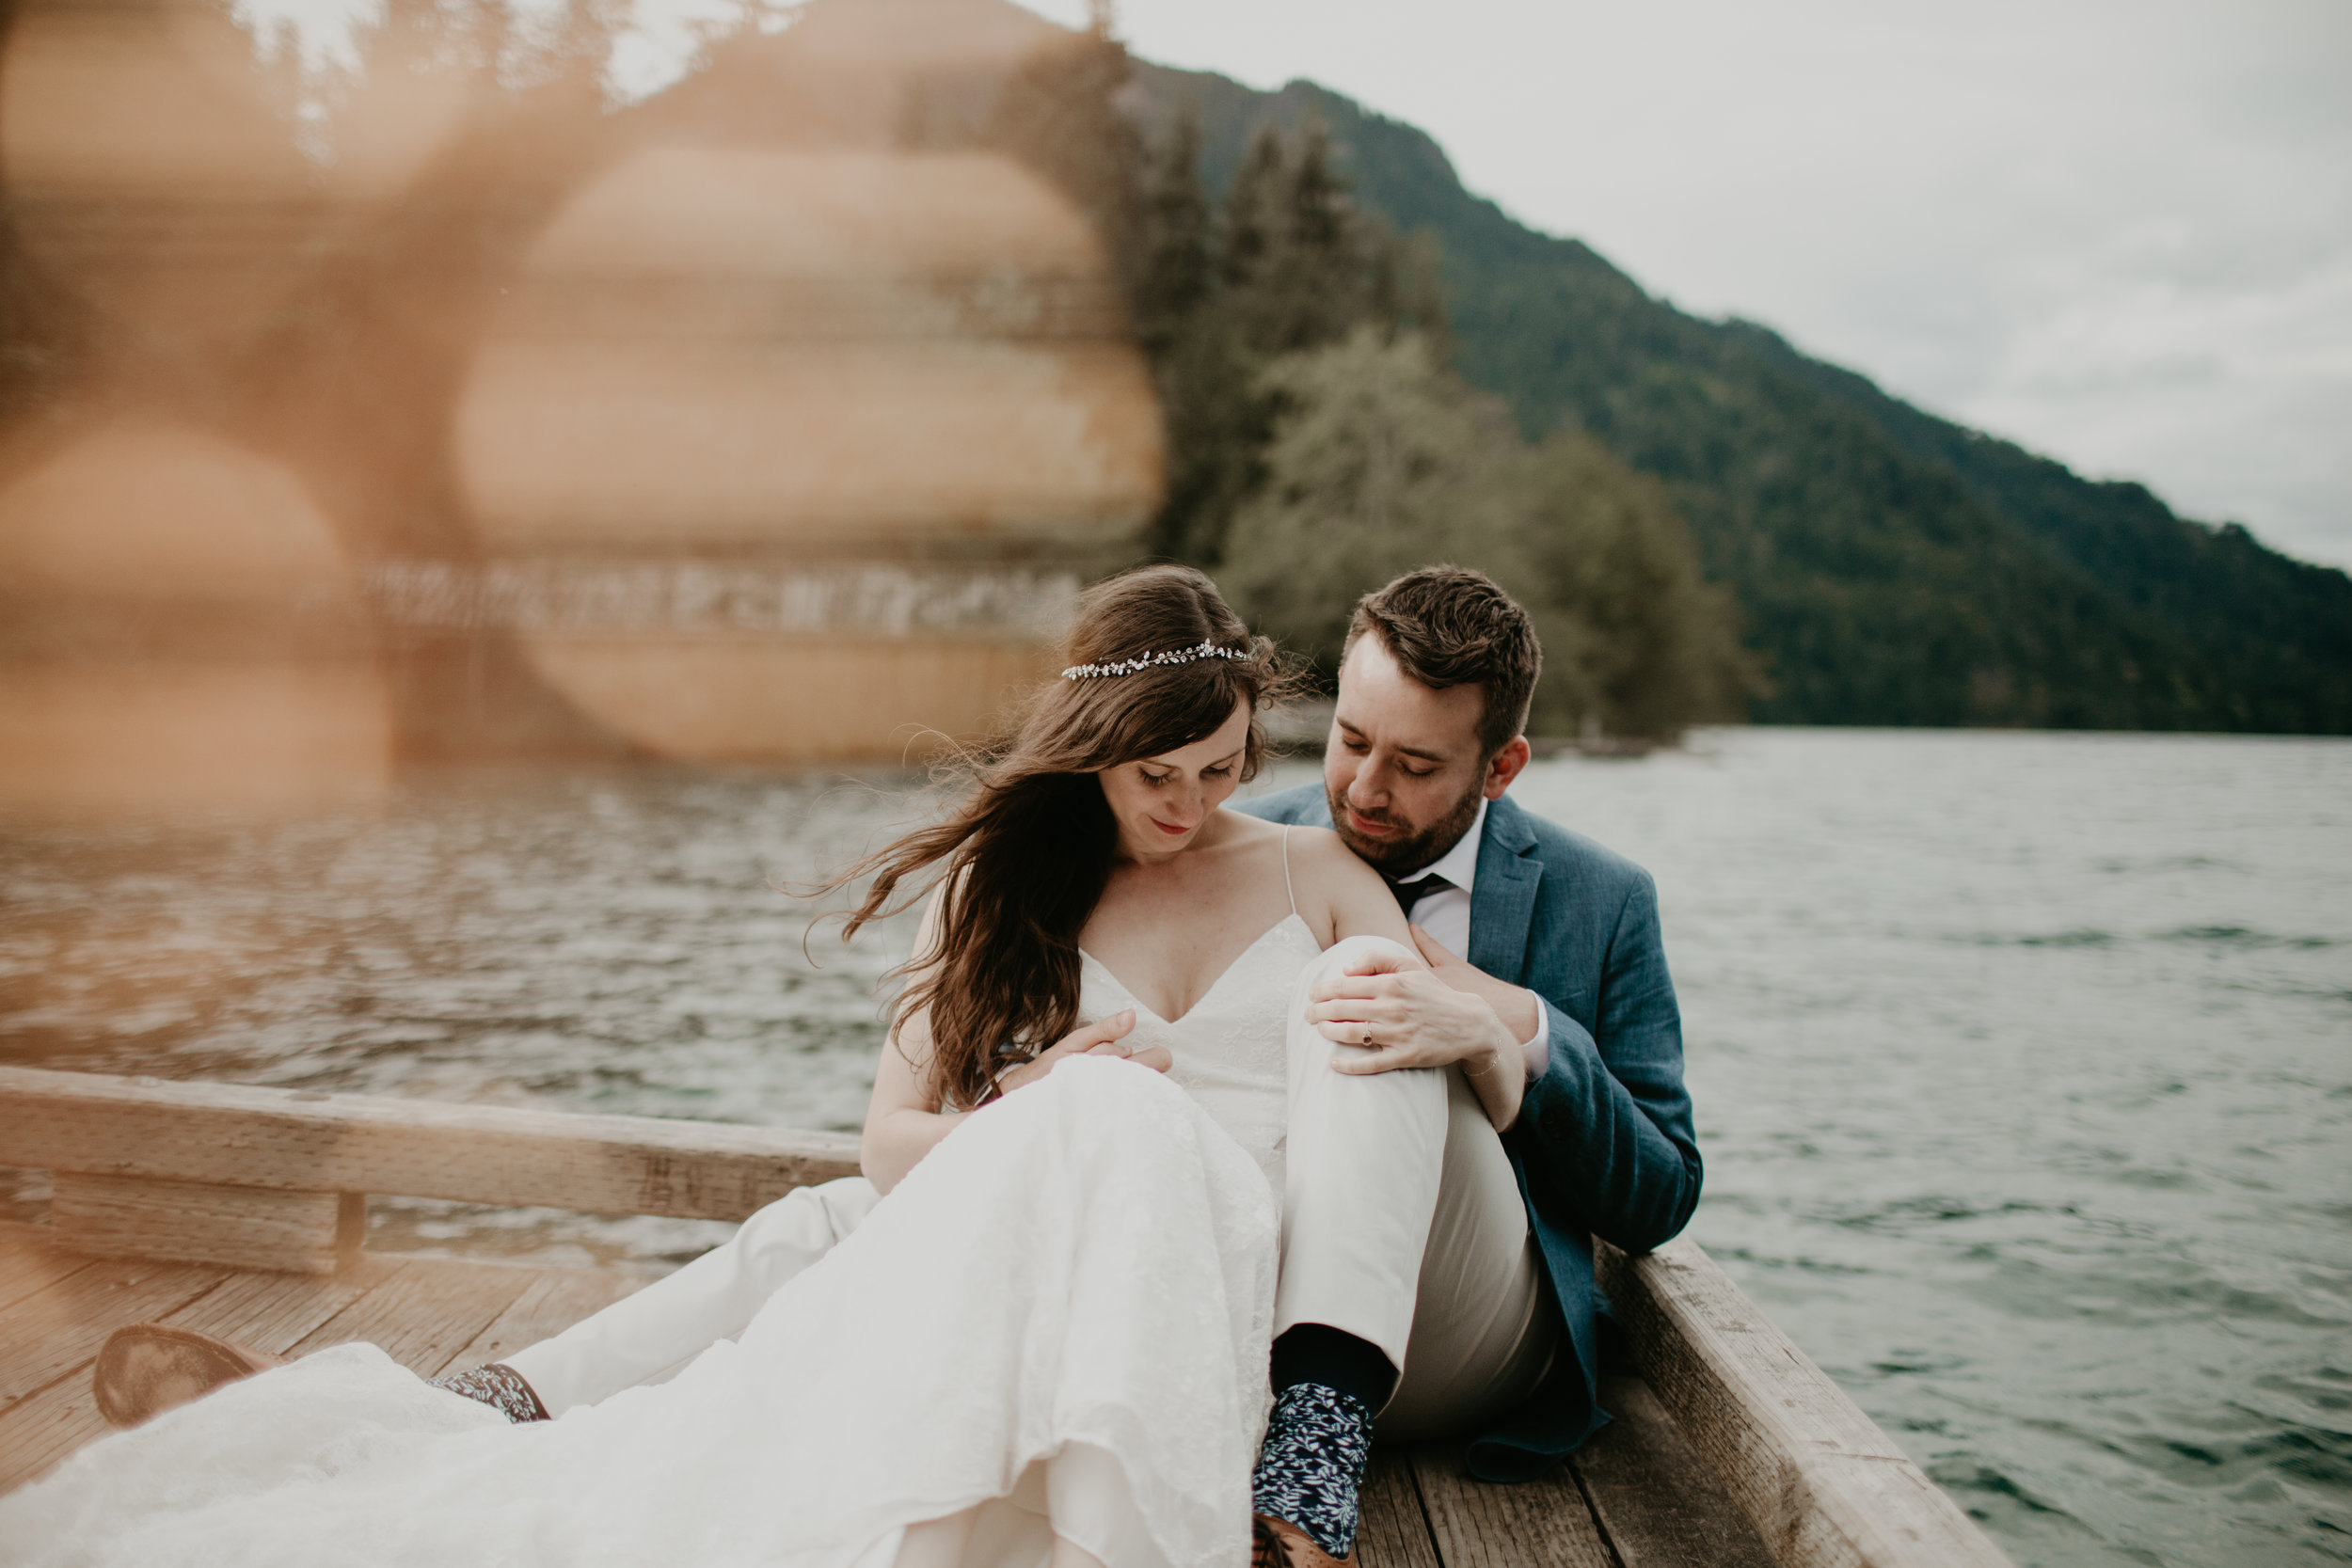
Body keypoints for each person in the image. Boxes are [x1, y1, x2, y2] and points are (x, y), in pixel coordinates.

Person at [463, 563, 1702, 1498]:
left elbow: (1658, 1190)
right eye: (1348, 741)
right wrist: (1026, 1109)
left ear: (1501, 766)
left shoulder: (1583, 902)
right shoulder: (1237, 831)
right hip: (1185, 1269)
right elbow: (902, 1132)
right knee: (831, 1223)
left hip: (1454, 1301)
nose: (1364, 789)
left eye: (1415, 766)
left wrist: (1510, 1036)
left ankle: (1323, 1418)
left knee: (1368, 999)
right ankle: (513, 1394)